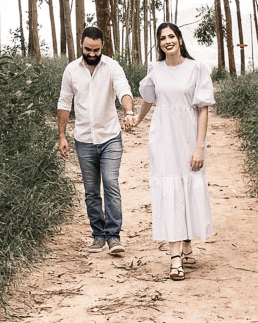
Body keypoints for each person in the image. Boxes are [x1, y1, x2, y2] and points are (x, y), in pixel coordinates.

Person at [127, 22, 214, 281]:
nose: (168, 41)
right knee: (169, 189)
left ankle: (187, 238)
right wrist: (137, 120)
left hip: (188, 135)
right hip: (162, 136)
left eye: (171, 36)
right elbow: (149, 99)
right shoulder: (155, 69)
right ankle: (175, 255)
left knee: (187, 185)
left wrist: (199, 147)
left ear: (179, 39)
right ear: (159, 43)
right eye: (163, 37)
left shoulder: (196, 68)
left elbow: (203, 109)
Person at [58, 26, 135, 255]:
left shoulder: (112, 66)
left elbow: (124, 90)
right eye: (87, 49)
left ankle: (114, 237)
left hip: (110, 136)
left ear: (103, 47)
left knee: (111, 182)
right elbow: (64, 103)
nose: (92, 54)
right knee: (91, 190)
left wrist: (129, 112)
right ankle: (98, 235)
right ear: (81, 46)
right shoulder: (71, 70)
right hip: (83, 139)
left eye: (96, 50)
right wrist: (61, 135)